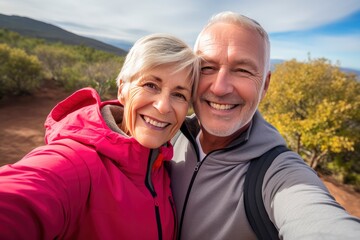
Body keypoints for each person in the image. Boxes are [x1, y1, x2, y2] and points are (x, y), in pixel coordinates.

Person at [170, 11, 360, 240]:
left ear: (265, 85)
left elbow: (319, 220)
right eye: (207, 67)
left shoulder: (279, 174)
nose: (220, 88)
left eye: (242, 70)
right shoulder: (168, 135)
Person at [0, 33, 200, 240]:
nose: (163, 106)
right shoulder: (77, 163)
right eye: (151, 85)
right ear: (122, 89)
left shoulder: (162, 166)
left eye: (179, 94)